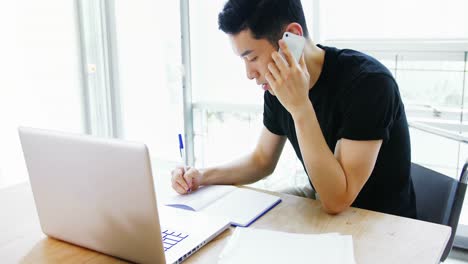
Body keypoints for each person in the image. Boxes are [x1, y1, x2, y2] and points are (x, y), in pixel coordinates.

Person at [171, 0, 417, 218]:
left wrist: (300, 107)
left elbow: (338, 200)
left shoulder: (369, 83)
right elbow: (261, 160)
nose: (249, 74)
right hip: (325, 203)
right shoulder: (276, 86)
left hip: (382, 222)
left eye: (252, 57)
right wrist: (202, 176)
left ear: (292, 37)